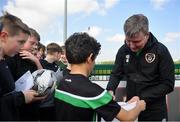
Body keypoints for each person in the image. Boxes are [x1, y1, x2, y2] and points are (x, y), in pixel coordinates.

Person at [54, 32, 146, 121]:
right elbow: (127, 117)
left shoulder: (61, 82)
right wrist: (139, 106)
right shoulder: (94, 92)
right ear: (90, 58)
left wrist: (128, 104)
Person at [106, 14, 175, 121]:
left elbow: (168, 84)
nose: (132, 46)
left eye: (136, 42)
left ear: (147, 35)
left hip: (155, 110)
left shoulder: (161, 51)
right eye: (128, 41)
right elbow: (116, 73)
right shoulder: (123, 50)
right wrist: (110, 90)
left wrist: (141, 97)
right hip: (131, 109)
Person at [0, 12, 41, 120]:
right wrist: (22, 97)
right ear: (4, 36)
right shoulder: (10, 60)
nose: (23, 46)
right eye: (20, 42)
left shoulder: (3, 62)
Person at [39, 42, 62, 120]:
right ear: (56, 53)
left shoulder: (57, 66)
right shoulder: (39, 63)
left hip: (53, 104)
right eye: (60, 54)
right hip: (42, 105)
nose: (60, 56)